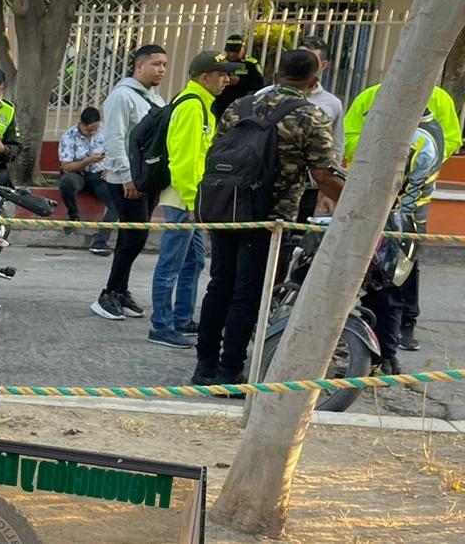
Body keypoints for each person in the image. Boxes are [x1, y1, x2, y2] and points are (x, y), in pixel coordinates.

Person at [194, 50, 343, 385]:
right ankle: (230, 371)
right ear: (313, 80)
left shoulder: (238, 106)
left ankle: (204, 368)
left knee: (219, 285)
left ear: (276, 73)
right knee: (248, 294)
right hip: (268, 218)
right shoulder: (311, 116)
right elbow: (323, 176)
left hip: (227, 208)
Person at [344, 82, 461, 351]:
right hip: (377, 194)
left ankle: (403, 327)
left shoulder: (437, 102)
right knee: (376, 266)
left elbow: (451, 139)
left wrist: (415, 162)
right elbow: (350, 135)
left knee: (402, 266)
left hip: (409, 203)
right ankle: (379, 334)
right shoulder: (369, 96)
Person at [147, 51, 240, 349]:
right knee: (170, 264)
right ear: (204, 77)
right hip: (183, 200)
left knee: (194, 261)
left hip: (193, 200)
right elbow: (184, 160)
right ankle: (161, 325)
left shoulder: (202, 105)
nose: (227, 79)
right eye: (222, 73)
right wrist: (191, 203)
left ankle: (182, 318)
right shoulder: (191, 106)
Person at [362, 111, 445, 373]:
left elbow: (405, 190)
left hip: (399, 225)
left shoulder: (417, 137)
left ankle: (384, 358)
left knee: (386, 293)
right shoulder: (430, 128)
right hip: (407, 224)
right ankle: (381, 356)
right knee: (388, 292)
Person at [92, 44, 168, 321]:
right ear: (139, 65)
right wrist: (126, 176)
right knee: (136, 237)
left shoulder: (156, 99)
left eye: (164, 65)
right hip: (127, 180)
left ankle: (120, 291)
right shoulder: (121, 97)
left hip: (148, 179)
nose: (161, 69)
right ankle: (108, 293)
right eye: (156, 63)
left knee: (130, 237)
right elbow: (114, 138)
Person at [291, 36, 346, 220]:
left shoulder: (332, 104)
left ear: (323, 65)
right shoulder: (264, 97)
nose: (302, 64)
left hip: (310, 188)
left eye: (309, 60)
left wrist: (327, 193)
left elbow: (335, 151)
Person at [57, 106, 118, 256]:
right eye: (89, 130)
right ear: (81, 124)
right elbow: (66, 166)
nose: (93, 133)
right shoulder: (69, 137)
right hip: (77, 173)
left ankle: (100, 242)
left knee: (116, 202)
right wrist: (87, 161)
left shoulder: (106, 132)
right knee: (67, 182)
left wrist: (110, 167)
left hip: (99, 176)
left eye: (95, 129)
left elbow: (117, 151)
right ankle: (73, 214)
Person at [210, 33, 264, 118]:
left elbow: (259, 85)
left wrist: (239, 82)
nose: (231, 54)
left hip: (241, 106)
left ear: (243, 49)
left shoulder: (251, 64)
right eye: (229, 51)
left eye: (235, 51)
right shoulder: (220, 62)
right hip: (219, 105)